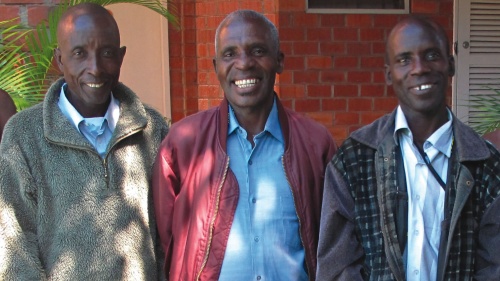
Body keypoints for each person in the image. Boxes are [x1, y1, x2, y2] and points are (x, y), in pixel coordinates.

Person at [152, 10, 337, 280]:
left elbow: (332, 241)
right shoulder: (183, 143)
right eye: (230, 54)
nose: (244, 63)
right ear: (216, 66)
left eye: (257, 51)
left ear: (279, 61)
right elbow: (169, 239)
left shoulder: (315, 143)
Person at [316, 16, 500, 281]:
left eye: (431, 55)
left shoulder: (486, 164)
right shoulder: (354, 159)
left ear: (451, 64)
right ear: (389, 74)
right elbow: (338, 266)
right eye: (404, 59)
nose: (419, 68)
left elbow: (494, 267)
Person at [0, 3, 168, 280]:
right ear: (60, 59)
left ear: (122, 57)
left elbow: (166, 237)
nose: (95, 68)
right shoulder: (24, 135)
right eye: (79, 54)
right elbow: (14, 246)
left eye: (107, 53)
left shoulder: (152, 128)